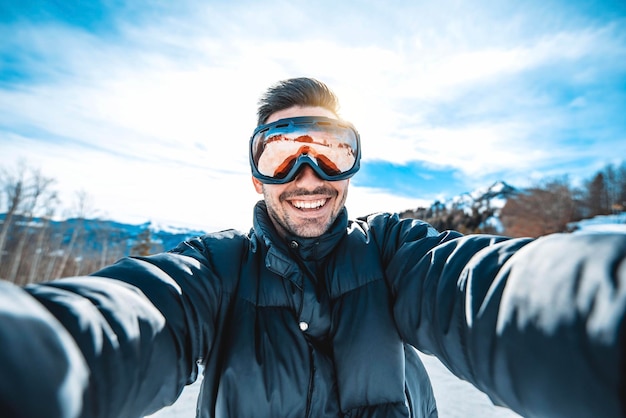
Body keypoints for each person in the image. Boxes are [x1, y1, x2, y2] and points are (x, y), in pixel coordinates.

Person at [0, 77, 624, 418]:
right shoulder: (217, 268)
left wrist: (599, 311)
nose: (306, 176)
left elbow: (482, 292)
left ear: (349, 169)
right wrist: (38, 350)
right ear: (256, 175)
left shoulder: (392, 251)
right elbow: (138, 313)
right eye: (280, 155)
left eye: (328, 153)